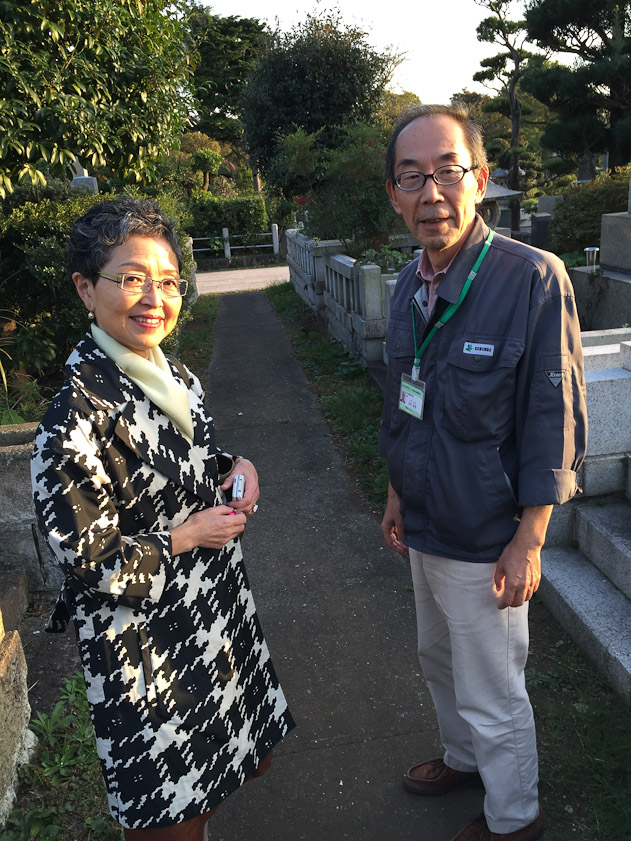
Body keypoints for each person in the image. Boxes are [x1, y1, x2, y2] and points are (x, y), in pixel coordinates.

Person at [31, 197, 295, 840]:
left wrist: (237, 465)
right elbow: (89, 560)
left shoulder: (172, 375)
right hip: (145, 647)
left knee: (223, 775)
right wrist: (184, 536)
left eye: (169, 282)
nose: (155, 299)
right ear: (86, 289)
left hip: (214, 618)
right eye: (132, 279)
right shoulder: (72, 420)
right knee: (170, 814)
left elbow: (194, 460)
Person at [379, 105, 587, 841]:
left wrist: (530, 537)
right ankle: (463, 759)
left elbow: (552, 416)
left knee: (492, 686)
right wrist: (396, 490)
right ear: (394, 193)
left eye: (447, 170)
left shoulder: (530, 277)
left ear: (480, 178)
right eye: (411, 176)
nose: (431, 192)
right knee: (437, 657)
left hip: (487, 533)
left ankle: (514, 817)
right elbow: (405, 399)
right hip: (424, 518)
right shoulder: (407, 282)